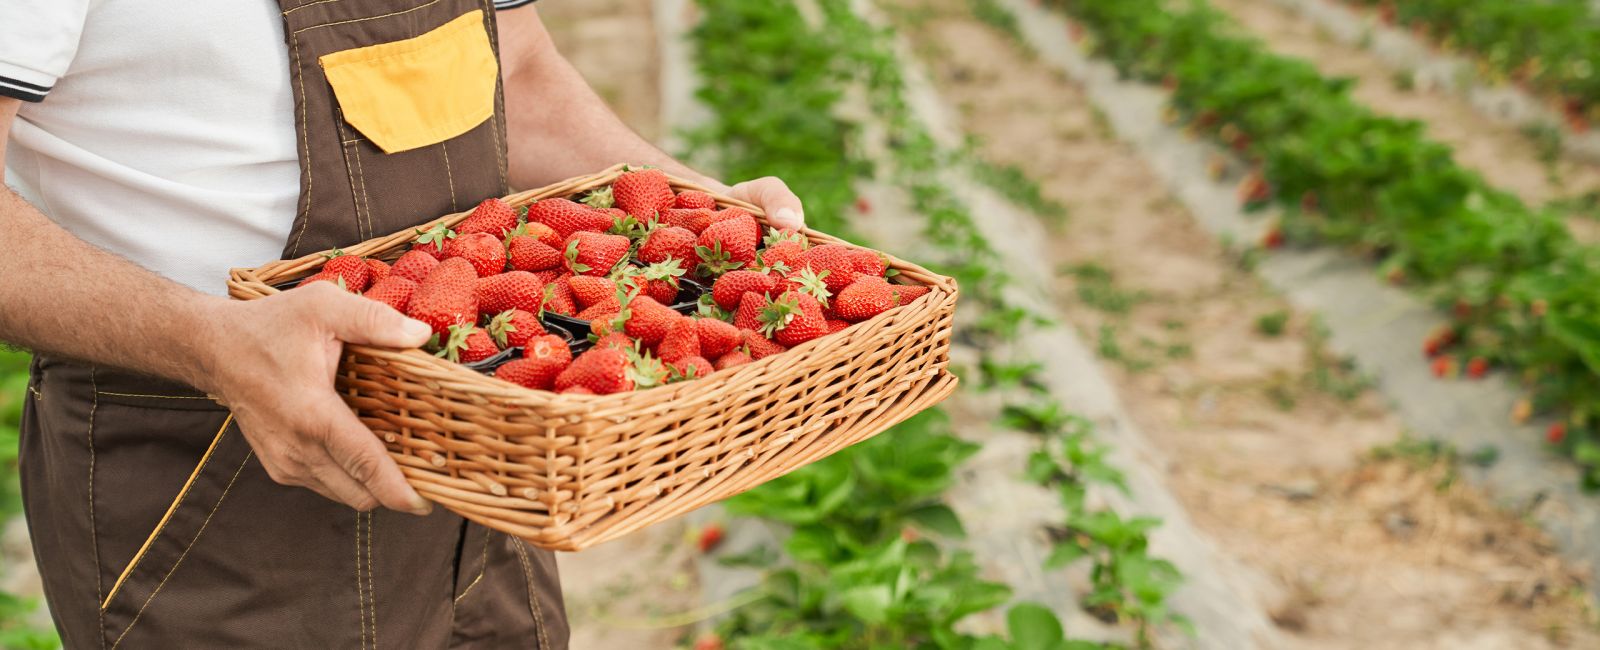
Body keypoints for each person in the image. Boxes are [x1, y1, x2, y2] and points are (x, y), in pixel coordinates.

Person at [0, 1, 803, 647]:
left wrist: (695, 206)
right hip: (212, 477)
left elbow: (514, 74)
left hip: (482, 436)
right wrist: (214, 343)